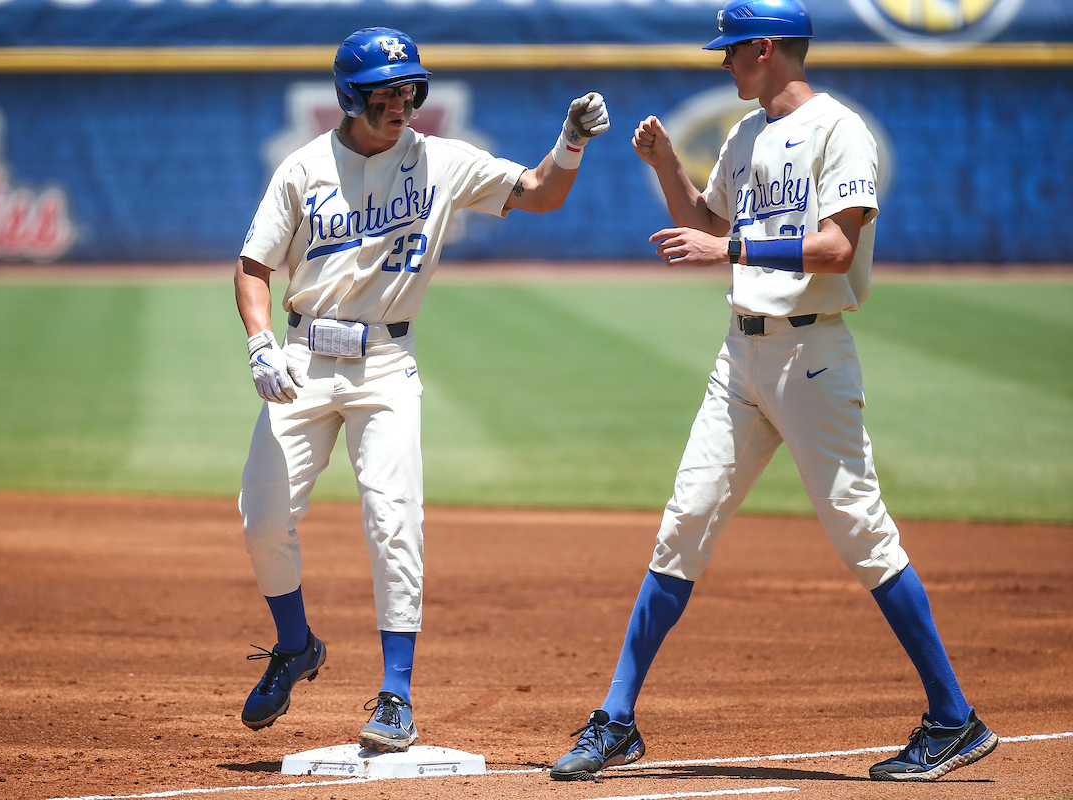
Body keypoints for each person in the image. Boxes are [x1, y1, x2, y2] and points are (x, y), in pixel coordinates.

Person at [550, 0, 996, 784]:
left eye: (731, 50)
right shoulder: (745, 133)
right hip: (741, 356)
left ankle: (954, 718)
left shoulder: (839, 129)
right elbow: (704, 219)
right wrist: (664, 165)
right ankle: (616, 719)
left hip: (812, 357)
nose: (723, 61)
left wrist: (729, 247)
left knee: (862, 534)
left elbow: (835, 247)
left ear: (766, 48)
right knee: (683, 525)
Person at [234, 27, 609, 753]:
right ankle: (295, 645)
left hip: (386, 365)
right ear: (351, 98)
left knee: (394, 519)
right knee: (261, 515)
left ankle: (397, 695)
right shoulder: (303, 169)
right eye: (386, 92)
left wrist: (570, 143)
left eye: (409, 88)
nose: (402, 102)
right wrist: (259, 345)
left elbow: (541, 194)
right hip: (305, 357)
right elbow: (254, 266)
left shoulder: (441, 161)